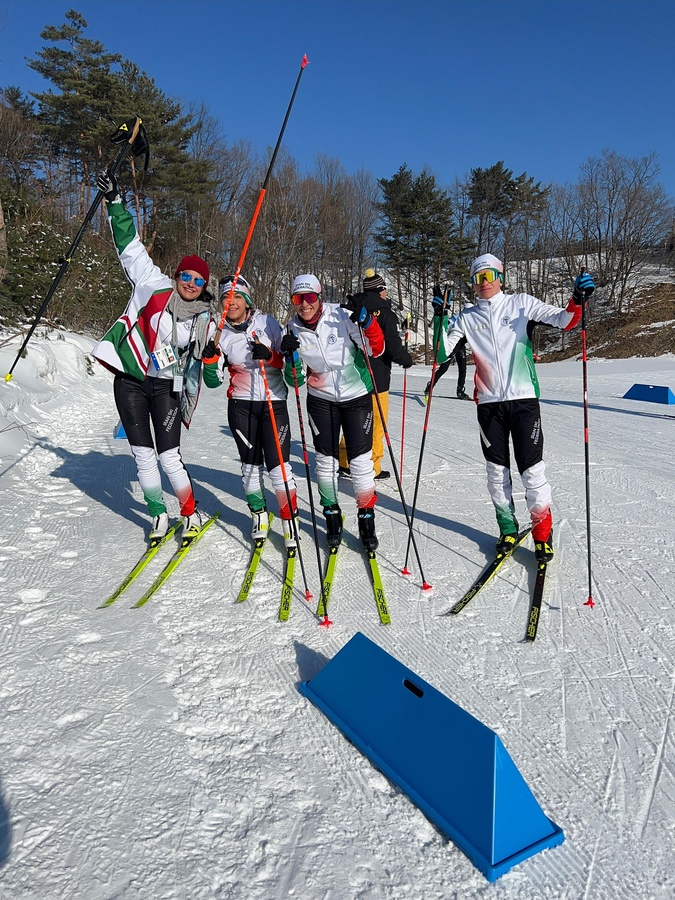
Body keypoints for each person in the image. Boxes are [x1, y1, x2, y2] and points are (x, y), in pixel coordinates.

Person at [441, 253, 595, 561]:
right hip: (489, 406)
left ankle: (541, 533)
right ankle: (507, 529)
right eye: (477, 278)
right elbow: (440, 353)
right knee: (496, 473)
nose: (483, 283)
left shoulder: (521, 304)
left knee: (531, 471)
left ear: (500, 277)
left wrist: (578, 299)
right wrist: (439, 319)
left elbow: (566, 321)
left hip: (523, 401)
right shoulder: (468, 316)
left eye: (488, 276)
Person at [92, 170, 213, 540]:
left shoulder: (206, 318)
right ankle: (158, 514)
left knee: (168, 457)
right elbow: (129, 245)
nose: (190, 284)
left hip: (165, 386)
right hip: (129, 381)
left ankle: (189, 513)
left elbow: (207, 368)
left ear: (204, 287)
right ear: (176, 275)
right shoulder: (152, 284)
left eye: (198, 281)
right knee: (142, 456)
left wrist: (208, 357)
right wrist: (114, 202)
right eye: (186, 277)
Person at [280, 274, 385, 551]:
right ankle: (332, 514)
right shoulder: (291, 330)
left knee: (361, 462)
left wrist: (367, 323)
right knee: (325, 463)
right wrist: (290, 361)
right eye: (297, 299)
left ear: (320, 297)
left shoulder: (342, 315)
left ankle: (366, 517)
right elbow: (295, 381)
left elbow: (376, 349)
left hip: (356, 397)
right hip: (320, 400)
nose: (304, 305)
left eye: (310, 298)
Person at [200, 275, 298, 546]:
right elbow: (213, 382)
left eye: (237, 297)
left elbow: (289, 368)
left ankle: (290, 519)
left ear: (247, 300)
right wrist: (210, 361)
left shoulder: (267, 324)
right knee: (250, 467)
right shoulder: (218, 331)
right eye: (225, 298)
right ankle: (259, 514)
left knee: (279, 467)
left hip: (273, 402)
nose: (230, 303)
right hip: (241, 406)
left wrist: (270, 356)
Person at [338, 269, 413, 480]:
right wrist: (405, 359)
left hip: (353, 376)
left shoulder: (352, 308)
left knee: (356, 421)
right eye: (385, 290)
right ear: (380, 291)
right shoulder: (385, 313)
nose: (386, 294)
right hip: (377, 376)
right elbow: (392, 347)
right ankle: (373, 465)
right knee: (376, 423)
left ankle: (345, 460)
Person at [424, 285, 472, 402]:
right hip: (452, 345)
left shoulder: (470, 318)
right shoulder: (460, 317)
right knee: (444, 369)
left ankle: (460, 391)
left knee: (462, 368)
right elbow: (447, 324)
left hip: (460, 345)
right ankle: (429, 387)